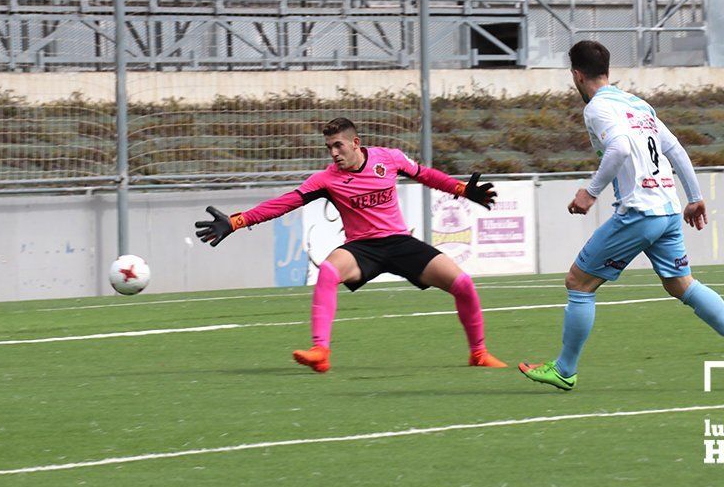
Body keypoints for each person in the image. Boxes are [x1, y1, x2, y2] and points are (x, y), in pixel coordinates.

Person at [519, 41, 724, 391]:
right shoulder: (637, 104)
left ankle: (564, 369)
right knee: (680, 284)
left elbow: (618, 147)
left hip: (640, 211)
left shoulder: (597, 108)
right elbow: (675, 149)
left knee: (578, 283)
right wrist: (694, 197)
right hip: (666, 208)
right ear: (606, 71)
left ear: (576, 75)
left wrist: (590, 192)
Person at [196, 117, 507, 373]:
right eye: (329, 147)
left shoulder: (389, 158)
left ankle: (478, 353)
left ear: (355, 143)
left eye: (338, 145)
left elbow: (425, 175)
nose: (333, 153)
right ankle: (321, 351)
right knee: (329, 271)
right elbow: (286, 203)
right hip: (362, 248)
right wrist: (237, 221)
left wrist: (462, 190)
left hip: (399, 242)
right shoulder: (326, 179)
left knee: (463, 284)